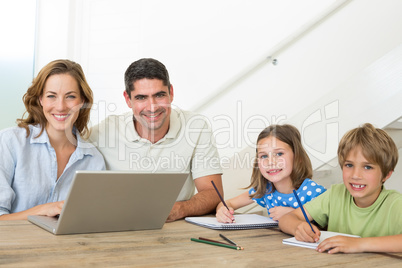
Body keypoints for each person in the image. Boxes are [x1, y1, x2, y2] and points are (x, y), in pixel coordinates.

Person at [90, 58, 223, 222]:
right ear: (127, 99)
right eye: (141, 98)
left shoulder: (196, 127)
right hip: (118, 226)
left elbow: (213, 193)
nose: (152, 107)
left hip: (175, 229)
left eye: (159, 95)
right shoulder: (104, 131)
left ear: (171, 93)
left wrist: (179, 209)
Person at [0, 59, 105, 220]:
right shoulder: (10, 142)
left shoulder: (94, 161)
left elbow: (93, 221)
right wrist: (42, 210)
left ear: (82, 101)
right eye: (51, 96)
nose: (61, 106)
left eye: (70, 96)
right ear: (41, 99)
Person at [279, 123, 402, 254]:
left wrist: (359, 244)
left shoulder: (395, 204)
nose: (355, 175)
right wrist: (298, 227)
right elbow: (286, 219)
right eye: (349, 165)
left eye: (367, 167)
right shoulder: (335, 194)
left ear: (386, 174)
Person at [216, 124, 326, 223]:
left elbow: (329, 227)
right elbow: (227, 203)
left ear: (298, 157)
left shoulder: (313, 192)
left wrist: (294, 215)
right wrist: (223, 211)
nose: (271, 162)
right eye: (264, 156)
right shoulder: (265, 190)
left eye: (279, 154)